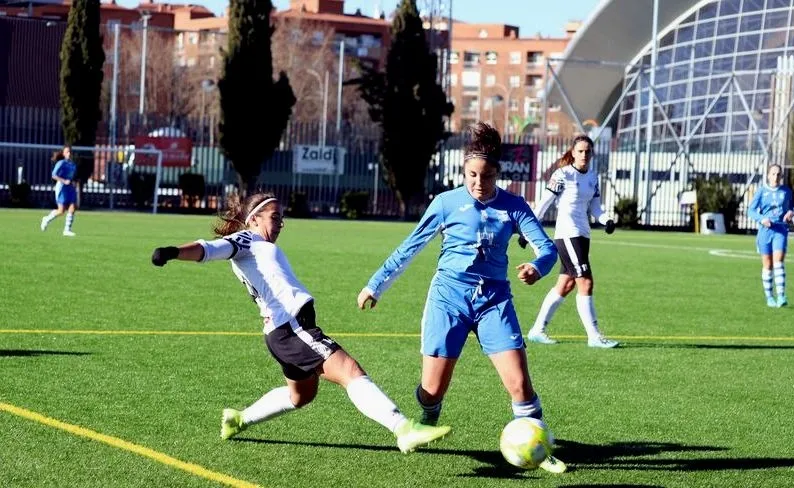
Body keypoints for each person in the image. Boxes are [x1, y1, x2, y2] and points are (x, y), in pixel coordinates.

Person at [149, 192, 451, 453]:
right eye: (274, 217)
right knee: (350, 371)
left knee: (301, 395)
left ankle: (239, 418)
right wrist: (173, 252)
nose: (280, 223)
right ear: (253, 219)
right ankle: (403, 429)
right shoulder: (246, 239)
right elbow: (208, 249)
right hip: (292, 328)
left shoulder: (256, 245)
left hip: (283, 332)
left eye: (281, 218)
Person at [356, 122, 568, 474]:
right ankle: (428, 415)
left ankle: (541, 447)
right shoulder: (446, 203)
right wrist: (375, 285)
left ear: (498, 174)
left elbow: (547, 249)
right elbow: (410, 247)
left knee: (519, 384)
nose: (478, 182)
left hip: (494, 302)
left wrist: (537, 267)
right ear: (464, 171)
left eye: (486, 176)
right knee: (432, 391)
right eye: (471, 175)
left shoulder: (514, 206)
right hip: (448, 299)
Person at [521, 135, 619, 348]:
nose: (584, 155)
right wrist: (526, 231)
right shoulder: (562, 174)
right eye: (580, 151)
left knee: (565, 284)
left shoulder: (592, 177)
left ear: (592, 154)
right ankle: (594, 336)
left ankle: (537, 330)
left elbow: (595, 208)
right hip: (567, 234)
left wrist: (606, 220)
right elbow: (544, 203)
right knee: (586, 282)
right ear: (573, 152)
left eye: (588, 151)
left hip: (583, 235)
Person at [747, 163, 794, 308]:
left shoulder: (786, 191)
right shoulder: (762, 191)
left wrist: (790, 213)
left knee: (778, 261)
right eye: (773, 174)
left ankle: (781, 296)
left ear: (781, 176)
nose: (776, 177)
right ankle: (769, 297)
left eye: (778, 174)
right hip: (765, 231)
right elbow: (751, 211)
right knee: (768, 265)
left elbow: (790, 207)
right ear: (768, 175)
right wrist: (762, 219)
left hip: (780, 230)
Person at [40, 145, 78, 236]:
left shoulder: (73, 164)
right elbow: (54, 175)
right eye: (67, 152)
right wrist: (64, 181)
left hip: (70, 187)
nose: (69, 153)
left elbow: (71, 177)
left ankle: (67, 230)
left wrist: (73, 182)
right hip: (62, 187)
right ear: (64, 153)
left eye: (70, 152)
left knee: (73, 207)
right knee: (61, 211)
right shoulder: (61, 163)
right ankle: (46, 219)